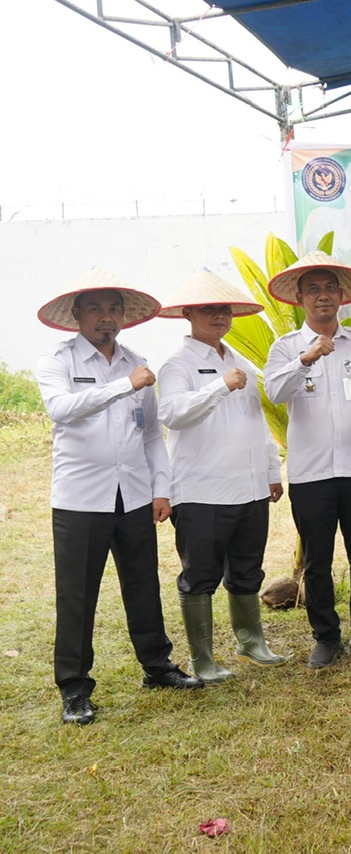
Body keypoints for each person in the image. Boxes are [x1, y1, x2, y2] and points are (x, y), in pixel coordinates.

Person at [36, 271, 203, 725]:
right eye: (95, 308)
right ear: (76, 315)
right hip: (79, 499)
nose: (105, 318)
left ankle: (157, 667)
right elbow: (62, 410)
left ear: (123, 317)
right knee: (77, 595)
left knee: (143, 584)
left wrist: (160, 488)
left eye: (113, 309)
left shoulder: (136, 360)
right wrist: (124, 385)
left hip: (132, 496)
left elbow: (151, 433)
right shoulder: (59, 362)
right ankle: (74, 688)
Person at [156, 271, 290, 683]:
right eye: (209, 308)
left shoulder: (240, 361)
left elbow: (256, 422)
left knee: (248, 570)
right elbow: (173, 413)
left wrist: (270, 470)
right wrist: (219, 387)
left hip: (249, 488)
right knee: (200, 576)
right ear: (189, 313)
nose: (219, 315)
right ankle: (202, 658)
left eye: (225, 308)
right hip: (201, 489)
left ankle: (251, 640)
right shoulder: (177, 364)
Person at [264, 252, 351, 668]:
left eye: (330, 288)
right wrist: (305, 359)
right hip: (311, 473)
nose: (323, 296)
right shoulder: (286, 348)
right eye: (314, 289)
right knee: (318, 561)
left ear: (341, 296)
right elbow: (274, 393)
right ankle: (325, 636)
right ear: (300, 298)